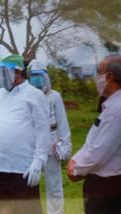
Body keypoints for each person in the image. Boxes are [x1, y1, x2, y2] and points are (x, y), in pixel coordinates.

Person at [0, 54, 51, 214]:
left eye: (4, 73)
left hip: (21, 168)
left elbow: (43, 131)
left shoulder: (34, 96)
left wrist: (38, 160)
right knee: (1, 208)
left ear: (18, 72)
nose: (1, 77)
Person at [67, 55, 121, 214]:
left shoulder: (116, 111)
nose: (96, 79)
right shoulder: (111, 107)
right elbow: (93, 142)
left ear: (109, 76)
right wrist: (76, 159)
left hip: (107, 187)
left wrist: (75, 168)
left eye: (98, 74)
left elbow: (99, 152)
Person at [29, 61, 72, 214]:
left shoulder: (54, 96)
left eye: (38, 75)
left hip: (51, 144)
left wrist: (65, 144)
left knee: (54, 184)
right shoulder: (28, 95)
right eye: (32, 76)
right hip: (31, 145)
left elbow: (62, 122)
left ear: (45, 76)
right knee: (29, 183)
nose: (35, 79)